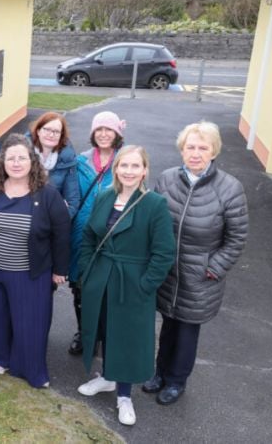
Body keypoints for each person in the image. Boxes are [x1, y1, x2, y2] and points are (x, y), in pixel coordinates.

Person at [146, 121, 249, 405]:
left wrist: (213, 268)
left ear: (213, 151)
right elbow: (152, 222)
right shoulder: (166, 179)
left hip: (200, 276)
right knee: (168, 324)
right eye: (190, 147)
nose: (196, 153)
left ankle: (177, 381)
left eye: (203, 148)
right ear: (182, 150)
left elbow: (237, 238)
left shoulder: (230, 188)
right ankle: (159, 372)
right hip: (168, 272)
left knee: (187, 330)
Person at [75, 145, 175, 426]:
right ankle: (107, 377)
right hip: (102, 276)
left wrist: (145, 285)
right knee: (105, 330)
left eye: (135, 166)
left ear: (144, 170)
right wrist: (86, 270)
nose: (129, 171)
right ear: (116, 168)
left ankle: (124, 395)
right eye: (123, 165)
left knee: (128, 338)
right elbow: (89, 237)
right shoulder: (106, 196)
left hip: (133, 281)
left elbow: (164, 252)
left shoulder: (154, 204)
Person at [0, 134, 70, 387]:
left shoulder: (47, 195)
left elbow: (62, 233)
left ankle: (28, 369)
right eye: (11, 158)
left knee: (30, 322)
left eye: (22, 157)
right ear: (2, 162)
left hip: (28, 273)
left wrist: (60, 270)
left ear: (32, 161)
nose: (16, 163)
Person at [68, 111, 125, 355]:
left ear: (117, 134)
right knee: (80, 288)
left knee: (106, 290)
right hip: (81, 236)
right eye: (99, 130)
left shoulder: (125, 162)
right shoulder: (80, 162)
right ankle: (85, 332)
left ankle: (103, 334)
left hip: (112, 238)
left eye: (108, 130)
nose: (103, 134)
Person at [28, 111, 79, 218]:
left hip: (51, 221)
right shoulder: (22, 154)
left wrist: (58, 222)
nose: (51, 135)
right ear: (38, 131)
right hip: (23, 217)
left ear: (61, 136)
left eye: (56, 132)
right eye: (47, 130)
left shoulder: (67, 160)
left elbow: (72, 201)